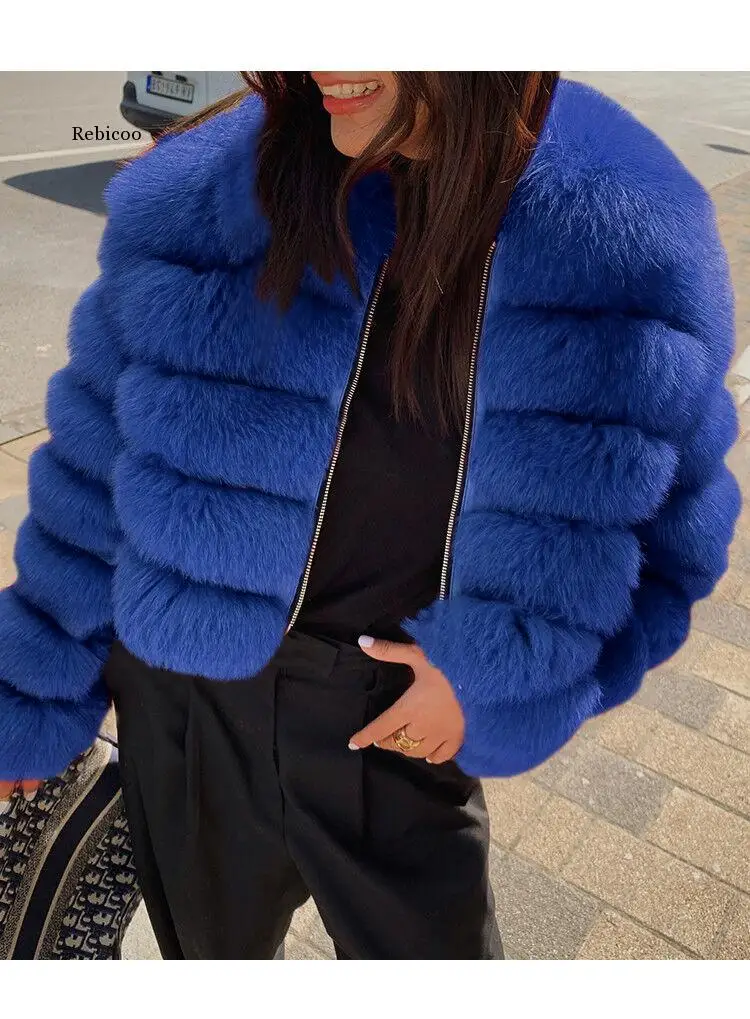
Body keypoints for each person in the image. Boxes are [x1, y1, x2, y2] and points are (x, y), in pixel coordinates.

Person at [0, 72, 741, 960]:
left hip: (397, 731)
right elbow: (90, 476)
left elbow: (677, 539)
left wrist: (501, 681)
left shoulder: (622, 234)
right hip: (186, 710)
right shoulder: (204, 191)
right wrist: (29, 697)